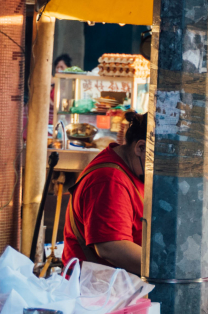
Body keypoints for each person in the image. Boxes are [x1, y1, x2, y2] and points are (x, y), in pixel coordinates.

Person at [63, 112, 147, 273]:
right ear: (140, 147)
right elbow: (111, 247)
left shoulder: (132, 169)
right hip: (98, 292)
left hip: (118, 289)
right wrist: (169, 269)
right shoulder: (110, 179)